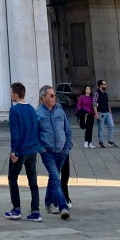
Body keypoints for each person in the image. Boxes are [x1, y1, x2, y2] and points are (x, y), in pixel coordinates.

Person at [4, 82, 42, 221]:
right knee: (33, 181)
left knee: (12, 178)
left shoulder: (14, 110)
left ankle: (16, 209)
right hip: (32, 149)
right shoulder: (32, 109)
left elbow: (15, 132)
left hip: (20, 150)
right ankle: (36, 211)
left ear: (16, 94)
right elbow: (36, 128)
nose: (10, 95)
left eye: (11, 93)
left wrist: (13, 150)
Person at [35, 85, 72, 219]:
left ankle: (48, 202)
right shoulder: (38, 114)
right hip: (48, 152)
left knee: (53, 177)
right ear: (43, 98)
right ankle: (62, 206)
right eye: (51, 95)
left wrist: (67, 148)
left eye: (54, 95)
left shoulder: (59, 111)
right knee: (56, 178)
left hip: (61, 151)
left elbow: (67, 130)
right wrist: (42, 150)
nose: (54, 97)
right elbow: (34, 135)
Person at [95, 79, 117, 147]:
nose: (106, 85)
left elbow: (107, 103)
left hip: (107, 112)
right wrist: (96, 113)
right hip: (100, 112)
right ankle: (100, 142)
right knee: (101, 128)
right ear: (100, 85)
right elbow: (94, 104)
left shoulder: (105, 93)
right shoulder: (96, 93)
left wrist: (110, 111)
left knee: (111, 126)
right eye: (104, 84)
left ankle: (110, 141)